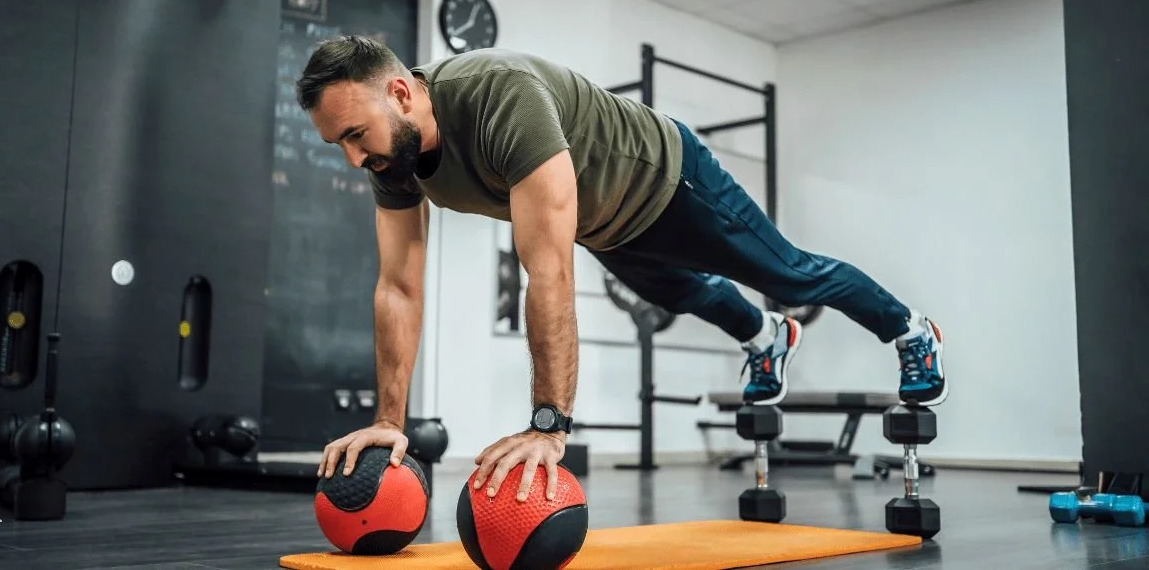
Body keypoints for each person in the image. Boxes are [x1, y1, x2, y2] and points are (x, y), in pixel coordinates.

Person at [296, 36, 946, 504]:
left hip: (672, 179)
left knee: (791, 274)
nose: (353, 159)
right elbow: (400, 286)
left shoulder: (497, 94)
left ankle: (910, 328)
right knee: (686, 293)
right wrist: (388, 419)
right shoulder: (392, 161)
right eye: (339, 145)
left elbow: (545, 270)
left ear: (402, 94)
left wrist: (550, 422)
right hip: (609, 225)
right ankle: (767, 337)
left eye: (356, 134)